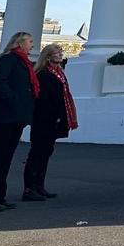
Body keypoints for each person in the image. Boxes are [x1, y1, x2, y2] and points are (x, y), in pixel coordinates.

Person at [0, 32, 38, 213]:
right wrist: (13, 99)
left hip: (14, 118)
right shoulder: (9, 60)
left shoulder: (23, 63)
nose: (32, 45)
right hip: (3, 117)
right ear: (19, 43)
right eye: (30, 41)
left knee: (5, 159)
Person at [22, 44, 78, 201]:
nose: (60, 55)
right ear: (47, 56)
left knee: (46, 152)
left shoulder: (59, 74)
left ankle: (39, 186)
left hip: (54, 119)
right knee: (37, 152)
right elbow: (44, 99)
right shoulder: (43, 74)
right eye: (56, 53)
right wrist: (54, 116)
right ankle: (29, 188)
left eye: (60, 52)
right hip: (44, 119)